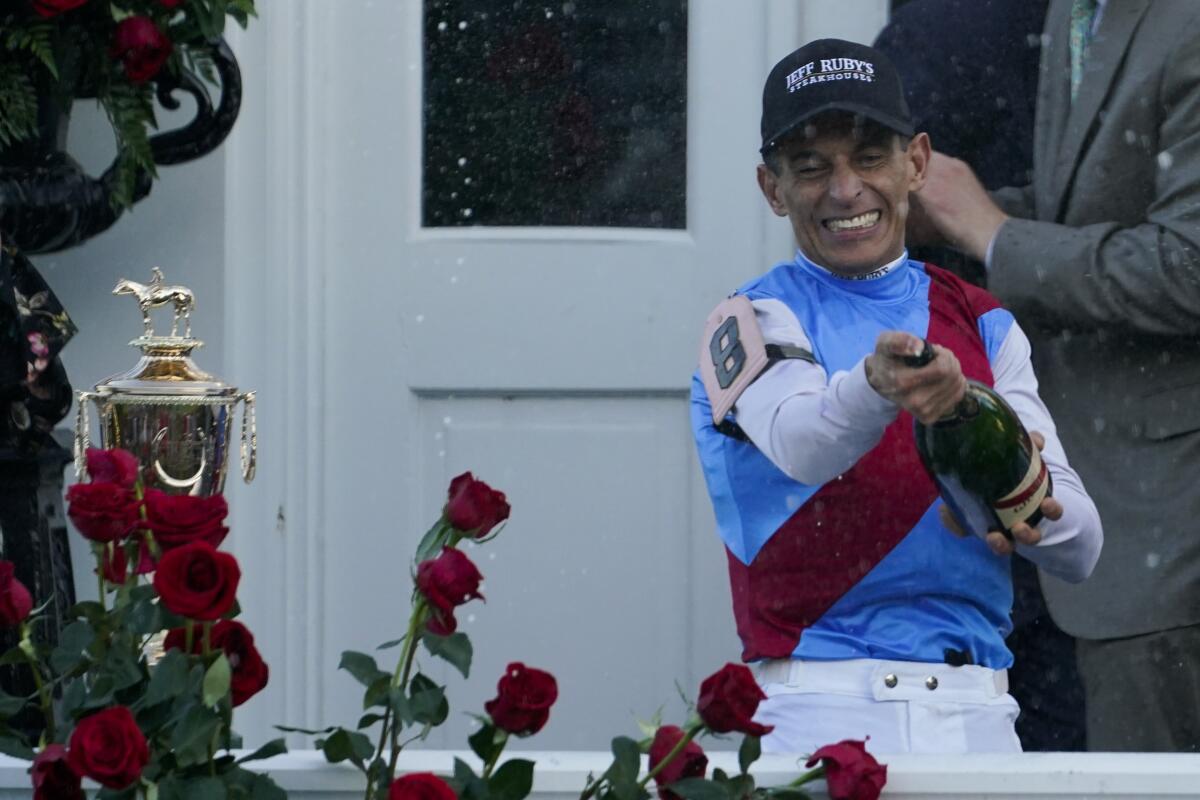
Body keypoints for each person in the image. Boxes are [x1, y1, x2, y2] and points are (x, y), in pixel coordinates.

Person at [689, 38, 1103, 755]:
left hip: (977, 713)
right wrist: (879, 385)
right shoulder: (747, 317)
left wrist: (1001, 468)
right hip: (814, 706)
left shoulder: (984, 319)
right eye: (811, 168)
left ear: (916, 162)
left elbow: (1081, 547)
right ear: (771, 187)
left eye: (869, 157)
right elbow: (803, 442)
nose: (845, 190)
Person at [913, 0, 1200, 752]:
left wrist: (993, 231)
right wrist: (945, 215)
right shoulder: (1078, 10)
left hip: (1171, 521)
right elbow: (1093, 212)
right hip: (1110, 514)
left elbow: (1188, 266)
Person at [874, 0, 1087, 754]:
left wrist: (990, 225)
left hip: (979, 417)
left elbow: (874, 199)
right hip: (1024, 421)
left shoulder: (957, 22)